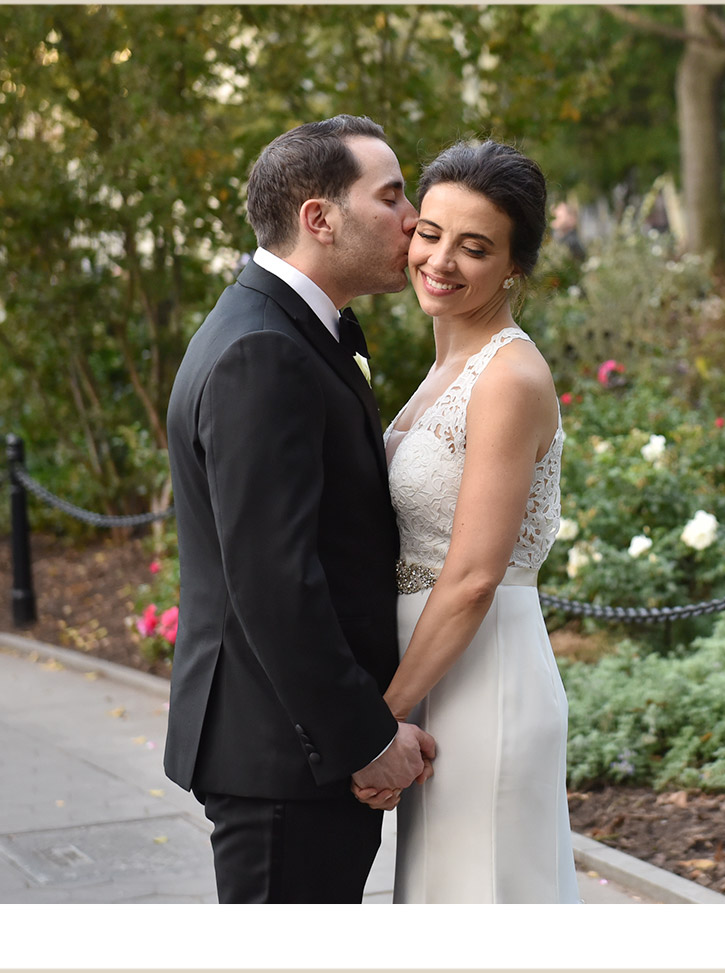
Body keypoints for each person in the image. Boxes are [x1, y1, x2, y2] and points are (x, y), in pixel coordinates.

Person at [164, 115, 437, 904]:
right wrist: (364, 739)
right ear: (319, 218)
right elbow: (276, 582)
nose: (413, 218)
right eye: (391, 197)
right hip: (284, 753)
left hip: (289, 745)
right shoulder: (263, 351)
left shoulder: (291, 330)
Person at [354, 140, 578, 903]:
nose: (441, 260)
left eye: (475, 247)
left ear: (515, 267)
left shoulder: (509, 376)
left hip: (485, 676)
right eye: (431, 233)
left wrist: (376, 721)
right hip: (435, 670)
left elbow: (477, 573)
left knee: (483, 901)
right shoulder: (450, 360)